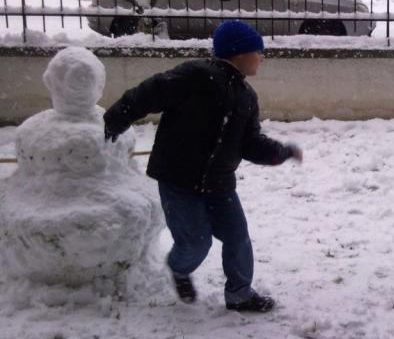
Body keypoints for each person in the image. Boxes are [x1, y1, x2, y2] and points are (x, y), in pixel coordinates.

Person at [103, 20, 302, 311]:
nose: (262, 57)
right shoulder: (195, 76)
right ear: (240, 52)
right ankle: (179, 269)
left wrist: (280, 152)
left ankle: (240, 294)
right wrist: (116, 119)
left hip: (219, 182)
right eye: (258, 51)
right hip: (178, 180)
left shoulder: (247, 96)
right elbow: (148, 93)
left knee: (237, 237)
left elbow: (250, 142)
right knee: (196, 243)